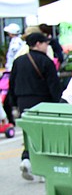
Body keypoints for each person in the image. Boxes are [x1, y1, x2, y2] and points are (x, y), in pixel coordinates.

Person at [8, 32, 62, 180]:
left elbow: (11, 84)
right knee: (45, 135)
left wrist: (13, 104)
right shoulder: (46, 61)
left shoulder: (18, 61)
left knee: (28, 134)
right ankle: (42, 169)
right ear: (38, 44)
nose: (47, 46)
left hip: (22, 102)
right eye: (45, 43)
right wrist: (60, 104)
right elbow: (54, 86)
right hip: (43, 103)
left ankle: (26, 159)